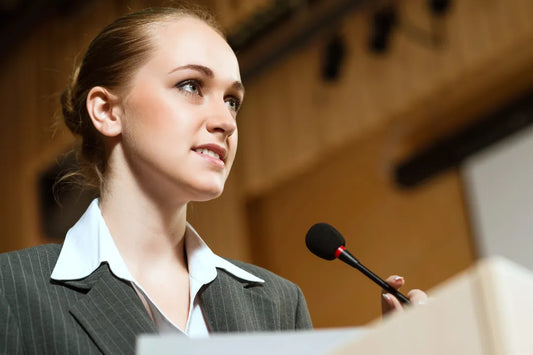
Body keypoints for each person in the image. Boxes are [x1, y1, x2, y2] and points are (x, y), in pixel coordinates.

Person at [0, 5, 426, 355]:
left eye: (232, 101)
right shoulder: (12, 291)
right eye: (190, 85)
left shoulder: (277, 304)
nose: (225, 121)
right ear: (108, 112)